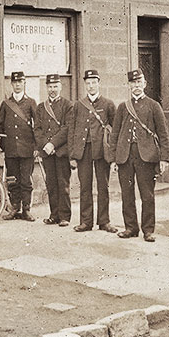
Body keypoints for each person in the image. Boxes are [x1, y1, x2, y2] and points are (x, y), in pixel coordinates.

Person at [109, 69, 169, 242]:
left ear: (144, 84)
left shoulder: (153, 106)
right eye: (133, 83)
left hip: (146, 157)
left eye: (139, 82)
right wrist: (113, 158)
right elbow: (115, 134)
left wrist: (164, 158)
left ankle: (148, 230)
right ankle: (130, 227)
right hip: (125, 156)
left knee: (147, 195)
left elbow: (163, 134)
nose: (136, 86)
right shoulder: (123, 107)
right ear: (129, 85)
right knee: (126, 194)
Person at [68, 69, 118, 233]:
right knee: (85, 187)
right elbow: (72, 130)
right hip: (83, 151)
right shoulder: (78, 105)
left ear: (99, 83)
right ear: (85, 85)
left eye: (93, 83)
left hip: (101, 151)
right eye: (88, 83)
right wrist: (72, 155)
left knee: (103, 186)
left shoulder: (108, 104)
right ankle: (86, 222)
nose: (91, 86)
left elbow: (115, 130)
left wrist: (113, 154)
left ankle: (104, 221)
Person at [0, 71, 38, 221]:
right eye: (15, 82)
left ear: (24, 83)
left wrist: (36, 147)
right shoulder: (6, 104)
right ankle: (15, 208)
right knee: (13, 181)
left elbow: (38, 126)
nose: (17, 85)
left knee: (26, 180)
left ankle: (26, 210)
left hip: (27, 149)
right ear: (11, 84)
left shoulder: (31, 103)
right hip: (10, 149)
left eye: (20, 82)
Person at [35, 74, 73, 227]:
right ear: (46, 88)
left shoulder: (67, 105)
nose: (52, 89)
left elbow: (67, 128)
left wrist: (53, 144)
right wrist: (45, 145)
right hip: (47, 152)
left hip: (61, 151)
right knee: (51, 183)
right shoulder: (40, 107)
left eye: (55, 86)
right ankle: (54, 214)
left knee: (62, 183)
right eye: (50, 87)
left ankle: (64, 216)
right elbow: (37, 129)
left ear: (60, 87)